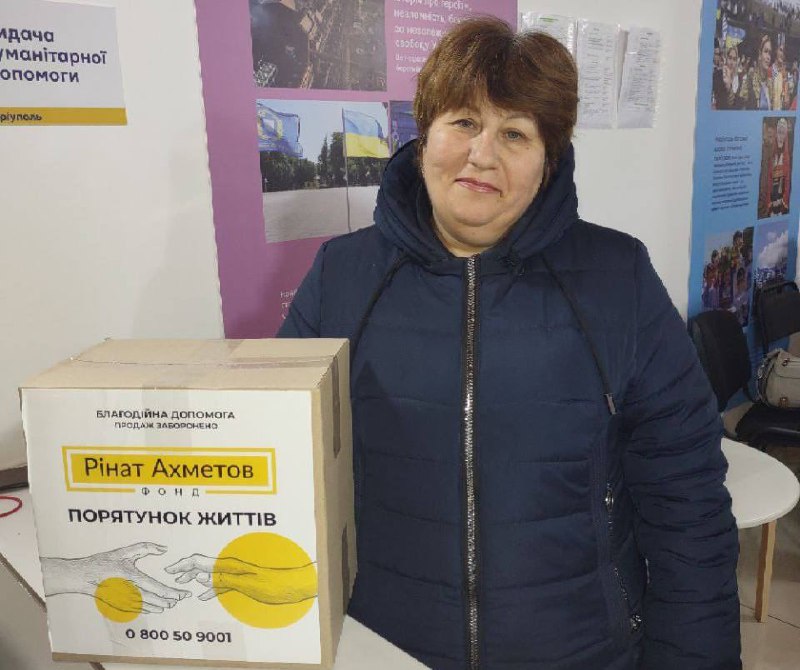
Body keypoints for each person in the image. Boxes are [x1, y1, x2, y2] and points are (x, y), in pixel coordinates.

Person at [280, 17, 741, 670]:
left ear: (548, 161)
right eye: (464, 122)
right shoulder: (342, 277)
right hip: (385, 651)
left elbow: (686, 500)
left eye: (515, 133)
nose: (482, 154)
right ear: (425, 133)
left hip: (582, 653)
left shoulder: (618, 280)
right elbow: (284, 470)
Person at [740, 33, 773, 109]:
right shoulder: (749, 79)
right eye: (766, 51)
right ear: (759, 54)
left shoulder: (770, 83)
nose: (768, 57)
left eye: (770, 53)